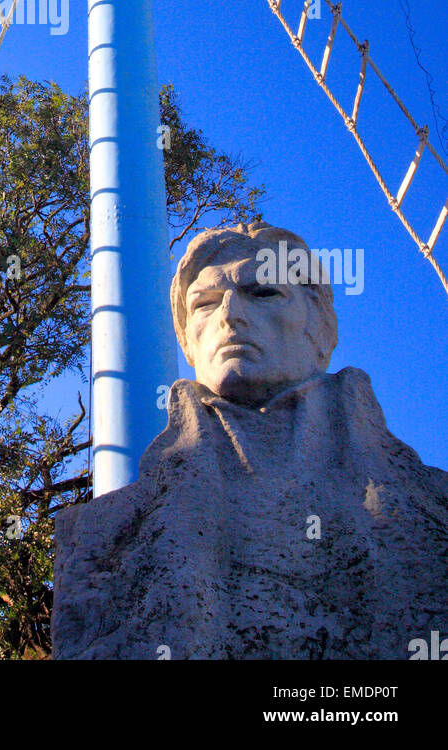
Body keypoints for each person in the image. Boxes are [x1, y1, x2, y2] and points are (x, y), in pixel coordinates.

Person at [53, 221, 448, 660]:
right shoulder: (104, 534)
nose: (228, 316)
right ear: (186, 340)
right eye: (203, 303)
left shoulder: (433, 504)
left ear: (320, 325)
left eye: (262, 294)